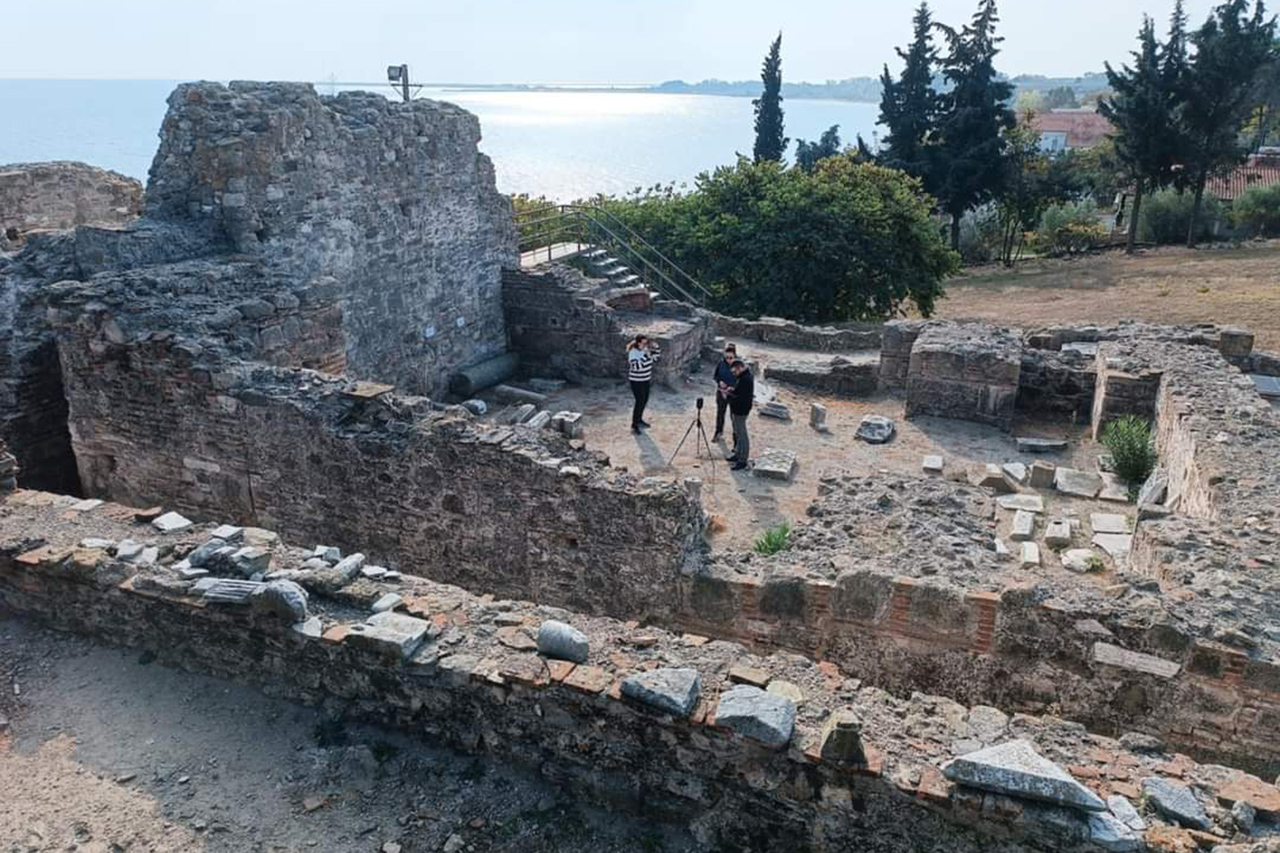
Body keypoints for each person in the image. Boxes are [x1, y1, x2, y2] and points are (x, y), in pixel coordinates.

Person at [626, 334, 659, 434]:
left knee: (644, 400)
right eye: (644, 343)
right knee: (639, 401)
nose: (645, 345)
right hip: (636, 381)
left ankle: (639, 419)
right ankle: (634, 424)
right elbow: (636, 367)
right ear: (638, 343)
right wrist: (645, 356)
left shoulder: (646, 350)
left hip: (645, 379)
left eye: (646, 343)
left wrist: (656, 347)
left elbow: (656, 359)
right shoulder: (633, 352)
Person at [726, 359, 754, 471]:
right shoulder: (743, 377)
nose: (734, 374)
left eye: (734, 372)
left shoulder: (746, 379)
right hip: (738, 409)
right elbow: (739, 392)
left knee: (742, 435)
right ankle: (737, 454)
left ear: (739, 368)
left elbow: (741, 397)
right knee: (738, 433)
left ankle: (742, 460)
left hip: (741, 410)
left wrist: (729, 394)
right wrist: (732, 390)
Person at [712, 343, 738, 443]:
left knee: (734, 417)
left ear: (735, 356)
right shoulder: (721, 364)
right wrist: (719, 382)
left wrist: (732, 388)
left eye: (731, 358)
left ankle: (736, 439)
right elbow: (716, 376)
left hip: (733, 395)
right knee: (720, 414)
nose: (728, 360)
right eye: (726, 357)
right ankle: (718, 432)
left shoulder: (739, 366)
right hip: (721, 393)